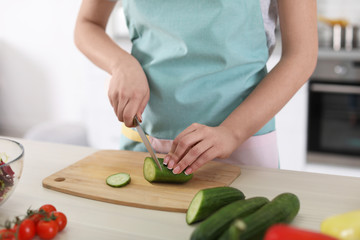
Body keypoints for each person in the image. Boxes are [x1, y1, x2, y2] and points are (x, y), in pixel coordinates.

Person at [74, 0, 318, 175]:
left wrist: (231, 133)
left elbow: (302, 55)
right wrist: (121, 64)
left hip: (240, 145)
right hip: (146, 141)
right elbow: (87, 23)